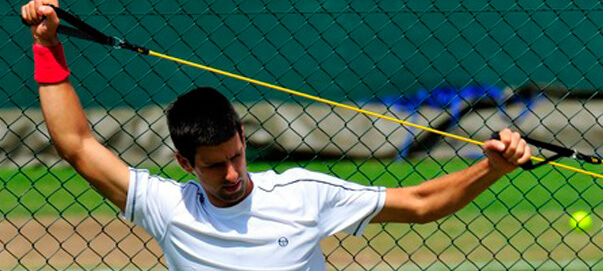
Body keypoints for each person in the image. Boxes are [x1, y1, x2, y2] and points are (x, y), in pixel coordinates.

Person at [21, 0, 532, 270]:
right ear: (184, 163)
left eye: (236, 156)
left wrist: (495, 167)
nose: (231, 174)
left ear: (243, 138)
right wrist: (47, 46)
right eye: (213, 165)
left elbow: (420, 202)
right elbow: (77, 144)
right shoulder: (168, 206)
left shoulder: (302, 193)